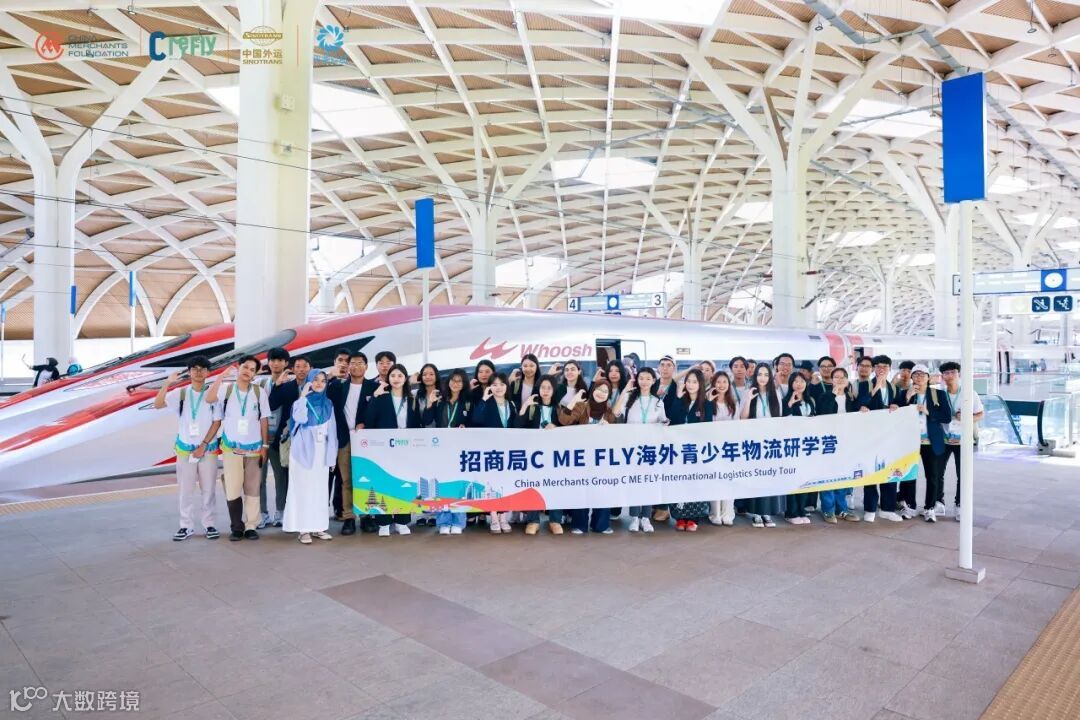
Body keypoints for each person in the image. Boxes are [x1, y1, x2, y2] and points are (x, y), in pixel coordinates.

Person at [155, 356, 220, 541]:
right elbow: (158, 404)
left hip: (208, 449)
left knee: (209, 489)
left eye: (202, 369)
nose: (198, 372)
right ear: (189, 372)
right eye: (194, 369)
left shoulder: (213, 394)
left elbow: (216, 422)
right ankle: (186, 526)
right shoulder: (181, 393)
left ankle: (209, 524)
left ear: (208, 372)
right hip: (185, 450)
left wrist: (203, 445)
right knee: (185, 490)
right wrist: (167, 383)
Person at [209, 356, 271, 541]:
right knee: (233, 488)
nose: (247, 371)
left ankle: (251, 525)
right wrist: (221, 377)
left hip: (254, 449)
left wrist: (265, 446)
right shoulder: (225, 390)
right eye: (245, 367)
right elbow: (209, 398)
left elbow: (264, 420)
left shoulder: (259, 392)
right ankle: (237, 527)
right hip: (231, 449)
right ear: (238, 368)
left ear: (255, 374)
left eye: (252, 369)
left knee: (253, 489)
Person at [364, 363, 421, 536]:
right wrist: (374, 397)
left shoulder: (411, 399)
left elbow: (416, 423)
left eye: (400, 376)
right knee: (383, 483)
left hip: (406, 449)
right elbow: (369, 420)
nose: (396, 379)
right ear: (388, 378)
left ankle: (402, 521)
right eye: (393, 375)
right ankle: (384, 523)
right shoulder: (381, 397)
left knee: (404, 483)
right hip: (384, 449)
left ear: (405, 379)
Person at [326, 351, 379, 536]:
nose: (356, 366)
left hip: (365, 441)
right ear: (348, 367)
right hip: (344, 439)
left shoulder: (374, 387)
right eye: (353, 363)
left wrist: (365, 423)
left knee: (365, 479)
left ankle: (366, 516)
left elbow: (378, 413)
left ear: (366, 366)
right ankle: (348, 517)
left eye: (360, 363)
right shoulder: (337, 387)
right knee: (346, 480)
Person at [283, 371, 337, 544]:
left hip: (322, 452)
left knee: (320, 490)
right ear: (308, 382)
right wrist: (302, 397)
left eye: (323, 380)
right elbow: (299, 418)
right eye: (315, 380)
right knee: (303, 489)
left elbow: (332, 431)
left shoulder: (328, 403)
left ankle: (318, 527)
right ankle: (303, 529)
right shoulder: (300, 402)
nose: (319, 383)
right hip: (303, 451)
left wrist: (332, 456)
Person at [560, 380, 618, 535]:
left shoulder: (608, 412)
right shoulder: (582, 406)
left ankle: (601, 525)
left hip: (602, 459)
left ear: (608, 395)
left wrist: (609, 428)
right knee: (581, 488)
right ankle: (580, 524)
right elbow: (564, 420)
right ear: (593, 390)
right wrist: (574, 400)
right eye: (599, 389)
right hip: (581, 458)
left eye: (605, 391)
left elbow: (616, 435)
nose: (601, 393)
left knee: (603, 489)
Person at [900, 364, 952, 523]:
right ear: (912, 377)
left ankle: (930, 508)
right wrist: (907, 398)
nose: (919, 377)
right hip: (910, 442)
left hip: (931, 442)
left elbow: (946, 417)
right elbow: (895, 414)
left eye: (923, 374)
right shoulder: (904, 393)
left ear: (928, 377)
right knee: (909, 475)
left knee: (933, 476)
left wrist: (928, 412)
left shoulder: (938, 394)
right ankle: (910, 506)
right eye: (916, 374)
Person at [854, 355, 902, 523]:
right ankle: (870, 508)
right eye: (878, 367)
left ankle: (887, 509)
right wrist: (875, 388)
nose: (881, 370)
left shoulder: (893, 388)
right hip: (870, 436)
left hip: (888, 436)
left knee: (889, 471)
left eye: (885, 367)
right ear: (874, 368)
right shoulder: (865, 385)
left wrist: (896, 406)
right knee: (871, 472)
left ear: (889, 369)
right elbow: (859, 404)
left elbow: (898, 406)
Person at [619, 367, 666, 533]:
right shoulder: (629, 399)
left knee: (648, 482)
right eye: (641, 378)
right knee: (634, 482)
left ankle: (645, 517)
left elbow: (662, 420)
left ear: (653, 381)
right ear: (637, 380)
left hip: (650, 450)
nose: (644, 381)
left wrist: (665, 423)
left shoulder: (658, 402)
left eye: (648, 378)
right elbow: (616, 412)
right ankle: (634, 517)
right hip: (632, 449)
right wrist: (625, 391)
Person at [516, 375, 565, 535]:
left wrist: (556, 427)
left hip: (555, 455)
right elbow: (517, 425)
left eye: (549, 388)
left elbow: (567, 427)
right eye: (543, 387)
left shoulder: (559, 408)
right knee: (533, 486)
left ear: (554, 390)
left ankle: (555, 520)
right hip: (533, 455)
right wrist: (525, 406)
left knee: (556, 485)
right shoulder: (532, 407)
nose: (545, 391)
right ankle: (533, 520)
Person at [426, 369, 473, 535]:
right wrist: (430, 403)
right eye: (453, 380)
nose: (456, 384)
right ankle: (444, 521)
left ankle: (458, 522)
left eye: (459, 381)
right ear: (448, 382)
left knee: (459, 485)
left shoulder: (468, 402)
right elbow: (426, 420)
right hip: (441, 448)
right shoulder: (440, 400)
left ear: (464, 383)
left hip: (460, 449)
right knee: (442, 485)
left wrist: (466, 427)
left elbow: (475, 422)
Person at [472, 373, 518, 534]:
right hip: (491, 451)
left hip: (508, 451)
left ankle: (503, 517)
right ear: (490, 386)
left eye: (502, 384)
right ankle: (493, 516)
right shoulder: (486, 403)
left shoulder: (511, 404)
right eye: (495, 384)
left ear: (507, 386)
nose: (498, 388)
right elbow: (475, 420)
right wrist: (484, 399)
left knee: (505, 484)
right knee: (491, 484)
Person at [268, 354, 312, 518]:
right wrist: (277, 385)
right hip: (287, 438)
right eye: (298, 366)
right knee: (283, 476)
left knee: (304, 476)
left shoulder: (316, 387)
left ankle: (302, 511)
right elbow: (271, 404)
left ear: (310, 368)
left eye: (305, 366)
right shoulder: (286, 387)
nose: (301, 369)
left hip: (308, 438)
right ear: (292, 369)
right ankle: (282, 511)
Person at [668, 368, 712, 531]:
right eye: (689, 381)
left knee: (695, 483)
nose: (691, 385)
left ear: (700, 384)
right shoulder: (680, 400)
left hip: (696, 452)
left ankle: (694, 518)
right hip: (678, 451)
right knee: (679, 482)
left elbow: (707, 429)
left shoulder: (707, 404)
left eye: (694, 382)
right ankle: (680, 517)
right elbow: (672, 420)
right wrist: (678, 398)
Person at [815, 368, 861, 524]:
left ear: (847, 380)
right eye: (836, 377)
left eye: (843, 377)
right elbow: (823, 415)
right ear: (832, 380)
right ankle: (828, 510)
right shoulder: (825, 396)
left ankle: (842, 509)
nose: (840, 380)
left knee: (843, 476)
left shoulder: (851, 398)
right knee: (828, 476)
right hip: (829, 442)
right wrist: (833, 394)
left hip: (847, 443)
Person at [939, 361, 984, 521]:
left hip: (963, 441)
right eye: (946, 373)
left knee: (963, 475)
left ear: (959, 374)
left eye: (953, 372)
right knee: (938, 473)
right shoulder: (939, 394)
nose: (950, 375)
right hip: (943, 440)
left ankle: (960, 505)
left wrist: (967, 417)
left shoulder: (969, 393)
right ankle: (938, 503)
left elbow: (980, 414)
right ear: (942, 376)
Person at [740, 363, 781, 528]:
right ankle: (756, 513)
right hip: (754, 443)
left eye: (766, 374)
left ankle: (766, 512)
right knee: (756, 477)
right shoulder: (748, 392)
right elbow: (743, 418)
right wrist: (749, 400)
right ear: (755, 376)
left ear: (770, 377)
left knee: (769, 477)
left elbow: (779, 418)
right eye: (759, 374)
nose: (762, 378)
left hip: (771, 443)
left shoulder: (775, 393)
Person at [255, 347, 290, 528]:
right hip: (260, 438)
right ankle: (262, 513)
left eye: (279, 360)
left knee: (281, 477)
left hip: (279, 439)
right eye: (272, 360)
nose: (276, 363)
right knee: (258, 478)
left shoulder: (290, 384)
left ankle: (280, 512)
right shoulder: (260, 384)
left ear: (286, 363)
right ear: (268, 363)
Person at [781, 373, 815, 525]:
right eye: (795, 381)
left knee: (804, 479)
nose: (799, 384)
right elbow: (783, 422)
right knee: (792, 480)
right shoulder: (785, 400)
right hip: (792, 446)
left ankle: (801, 510)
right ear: (791, 384)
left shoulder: (810, 400)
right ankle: (791, 512)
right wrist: (789, 404)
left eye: (802, 381)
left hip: (807, 446)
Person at [325, 348, 354, 521]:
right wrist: (329, 377)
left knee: (343, 477)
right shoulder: (325, 382)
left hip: (346, 439)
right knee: (326, 476)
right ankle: (321, 511)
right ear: (334, 362)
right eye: (340, 360)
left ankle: (341, 510)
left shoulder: (355, 383)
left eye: (347, 361)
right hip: (326, 438)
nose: (343, 364)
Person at [707, 371, 738, 527]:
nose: (721, 385)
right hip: (712, 448)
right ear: (713, 384)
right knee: (715, 480)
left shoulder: (733, 403)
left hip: (729, 448)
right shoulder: (708, 401)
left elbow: (737, 425)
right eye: (718, 382)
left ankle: (728, 513)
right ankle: (715, 514)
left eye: (724, 382)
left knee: (729, 480)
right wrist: (708, 402)